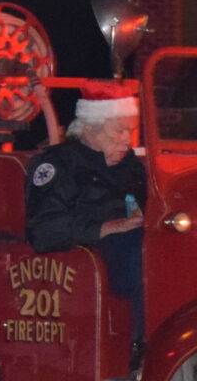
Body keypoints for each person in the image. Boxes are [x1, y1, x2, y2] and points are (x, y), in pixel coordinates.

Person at [25, 87, 146, 364]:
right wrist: (107, 228)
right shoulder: (57, 164)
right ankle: (140, 343)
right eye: (119, 131)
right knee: (136, 250)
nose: (127, 140)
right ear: (90, 128)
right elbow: (44, 231)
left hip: (131, 242)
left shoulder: (132, 167)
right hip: (89, 257)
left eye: (131, 131)